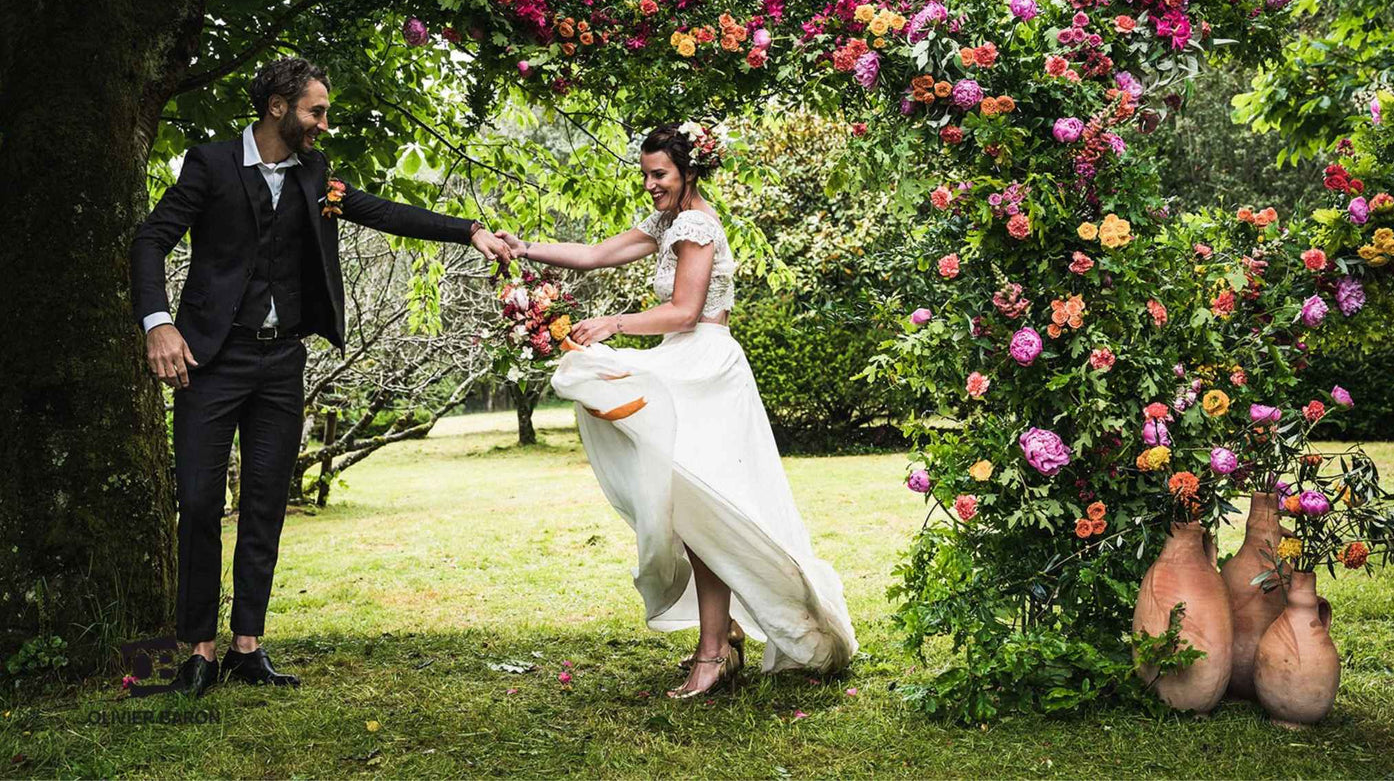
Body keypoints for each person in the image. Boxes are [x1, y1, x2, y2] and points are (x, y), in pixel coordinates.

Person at [130, 57, 511, 697]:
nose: (324, 124)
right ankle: (196, 651)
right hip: (210, 359)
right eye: (316, 111)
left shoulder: (314, 174)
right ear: (278, 107)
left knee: (265, 503)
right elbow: (149, 240)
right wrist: (156, 323)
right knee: (197, 504)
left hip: (282, 363)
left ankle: (246, 648)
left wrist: (470, 231)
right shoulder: (211, 163)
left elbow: (381, 211)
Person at [499, 122, 856, 699]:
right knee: (692, 509)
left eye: (658, 174)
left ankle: (714, 653)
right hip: (684, 364)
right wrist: (521, 246)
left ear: (688, 171)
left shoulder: (695, 225)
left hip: (706, 368)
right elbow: (593, 255)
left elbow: (687, 311)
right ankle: (722, 639)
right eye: (644, 174)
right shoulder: (668, 222)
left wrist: (613, 324)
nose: (649, 184)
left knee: (704, 510)